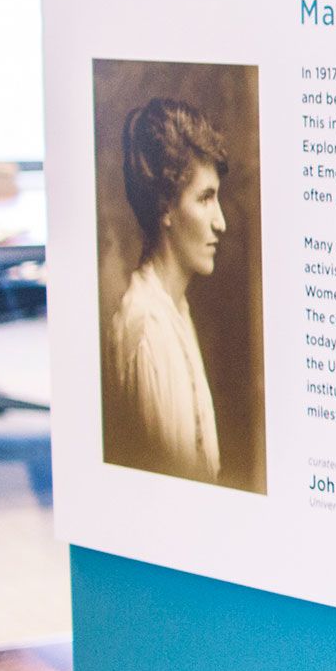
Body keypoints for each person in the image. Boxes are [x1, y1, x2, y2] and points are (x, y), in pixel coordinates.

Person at [105, 97, 231, 486]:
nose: (220, 223)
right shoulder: (147, 328)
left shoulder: (174, 310)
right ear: (166, 208)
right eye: (205, 198)